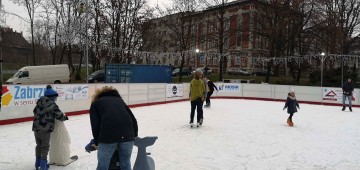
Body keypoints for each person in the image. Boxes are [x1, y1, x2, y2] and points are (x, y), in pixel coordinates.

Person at [90, 86, 138, 170]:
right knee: (126, 163)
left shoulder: (96, 103)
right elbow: (133, 119)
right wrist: (134, 135)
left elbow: (95, 125)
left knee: (103, 165)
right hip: (128, 135)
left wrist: (97, 142)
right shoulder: (120, 101)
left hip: (108, 136)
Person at [33, 85, 68, 170]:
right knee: (45, 146)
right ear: (52, 97)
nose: (56, 99)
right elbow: (59, 115)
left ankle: (37, 162)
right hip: (45, 129)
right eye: (55, 97)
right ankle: (43, 164)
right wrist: (65, 117)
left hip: (36, 128)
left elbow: (35, 112)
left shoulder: (39, 103)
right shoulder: (52, 105)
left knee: (38, 145)